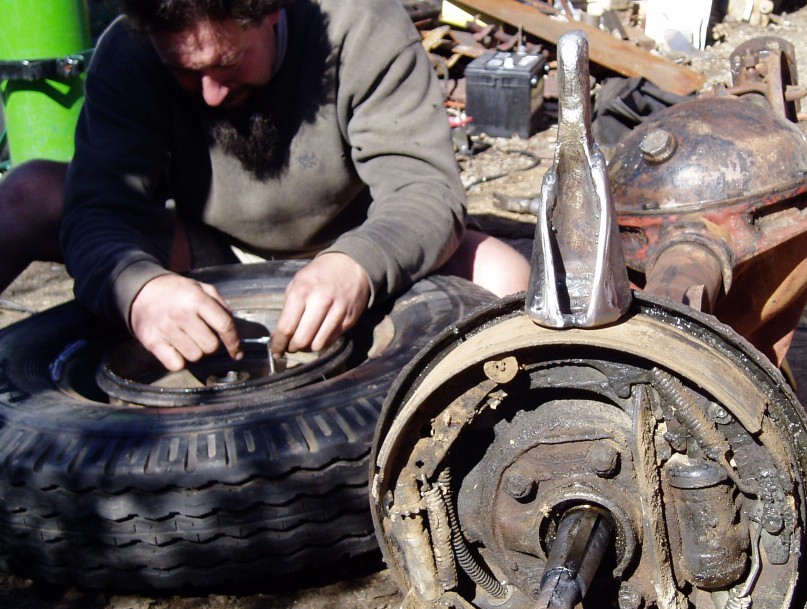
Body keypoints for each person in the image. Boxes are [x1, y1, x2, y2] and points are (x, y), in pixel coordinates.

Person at [0, 0, 530, 371]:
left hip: (356, 239)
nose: (208, 94)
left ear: (271, 12)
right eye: (184, 72)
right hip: (207, 247)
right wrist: (139, 289)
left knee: (505, 275)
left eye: (225, 63)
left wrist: (358, 264)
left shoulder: (363, 25)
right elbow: (99, 210)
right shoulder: (129, 52)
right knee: (28, 193)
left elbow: (425, 191)